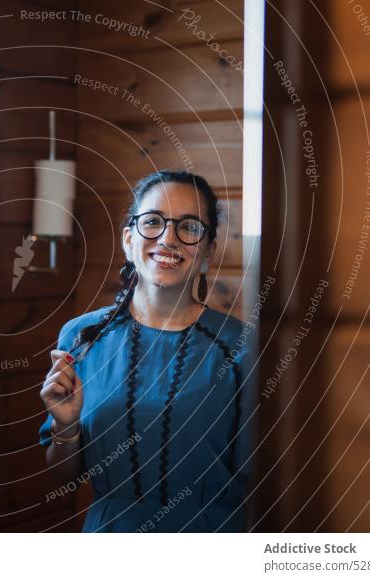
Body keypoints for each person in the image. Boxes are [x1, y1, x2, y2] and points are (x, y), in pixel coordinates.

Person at [38, 169, 257, 532]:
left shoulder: (242, 350)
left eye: (189, 227)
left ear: (207, 251)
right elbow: (66, 475)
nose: (169, 238)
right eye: (153, 222)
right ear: (128, 240)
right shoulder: (80, 338)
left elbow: (260, 481)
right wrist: (66, 423)